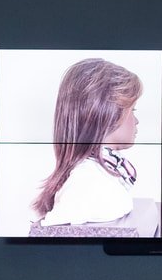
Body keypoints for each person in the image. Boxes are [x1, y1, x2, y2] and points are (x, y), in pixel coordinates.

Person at [31, 58, 143, 229]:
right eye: (132, 110)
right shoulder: (87, 182)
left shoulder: (100, 174)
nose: (137, 121)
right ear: (107, 113)